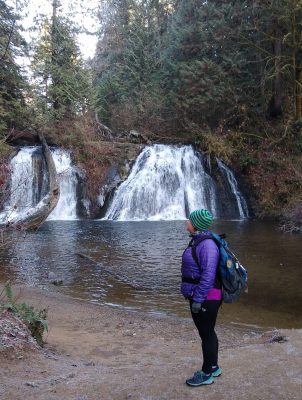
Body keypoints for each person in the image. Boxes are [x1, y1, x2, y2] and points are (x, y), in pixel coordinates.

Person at [181, 208, 222, 387]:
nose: (186, 222)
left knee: (206, 334)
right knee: (208, 333)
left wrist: (198, 299)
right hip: (204, 295)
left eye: (189, 220)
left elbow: (208, 276)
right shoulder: (200, 240)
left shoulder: (207, 245)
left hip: (206, 297)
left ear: (195, 225)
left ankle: (206, 374)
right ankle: (213, 367)